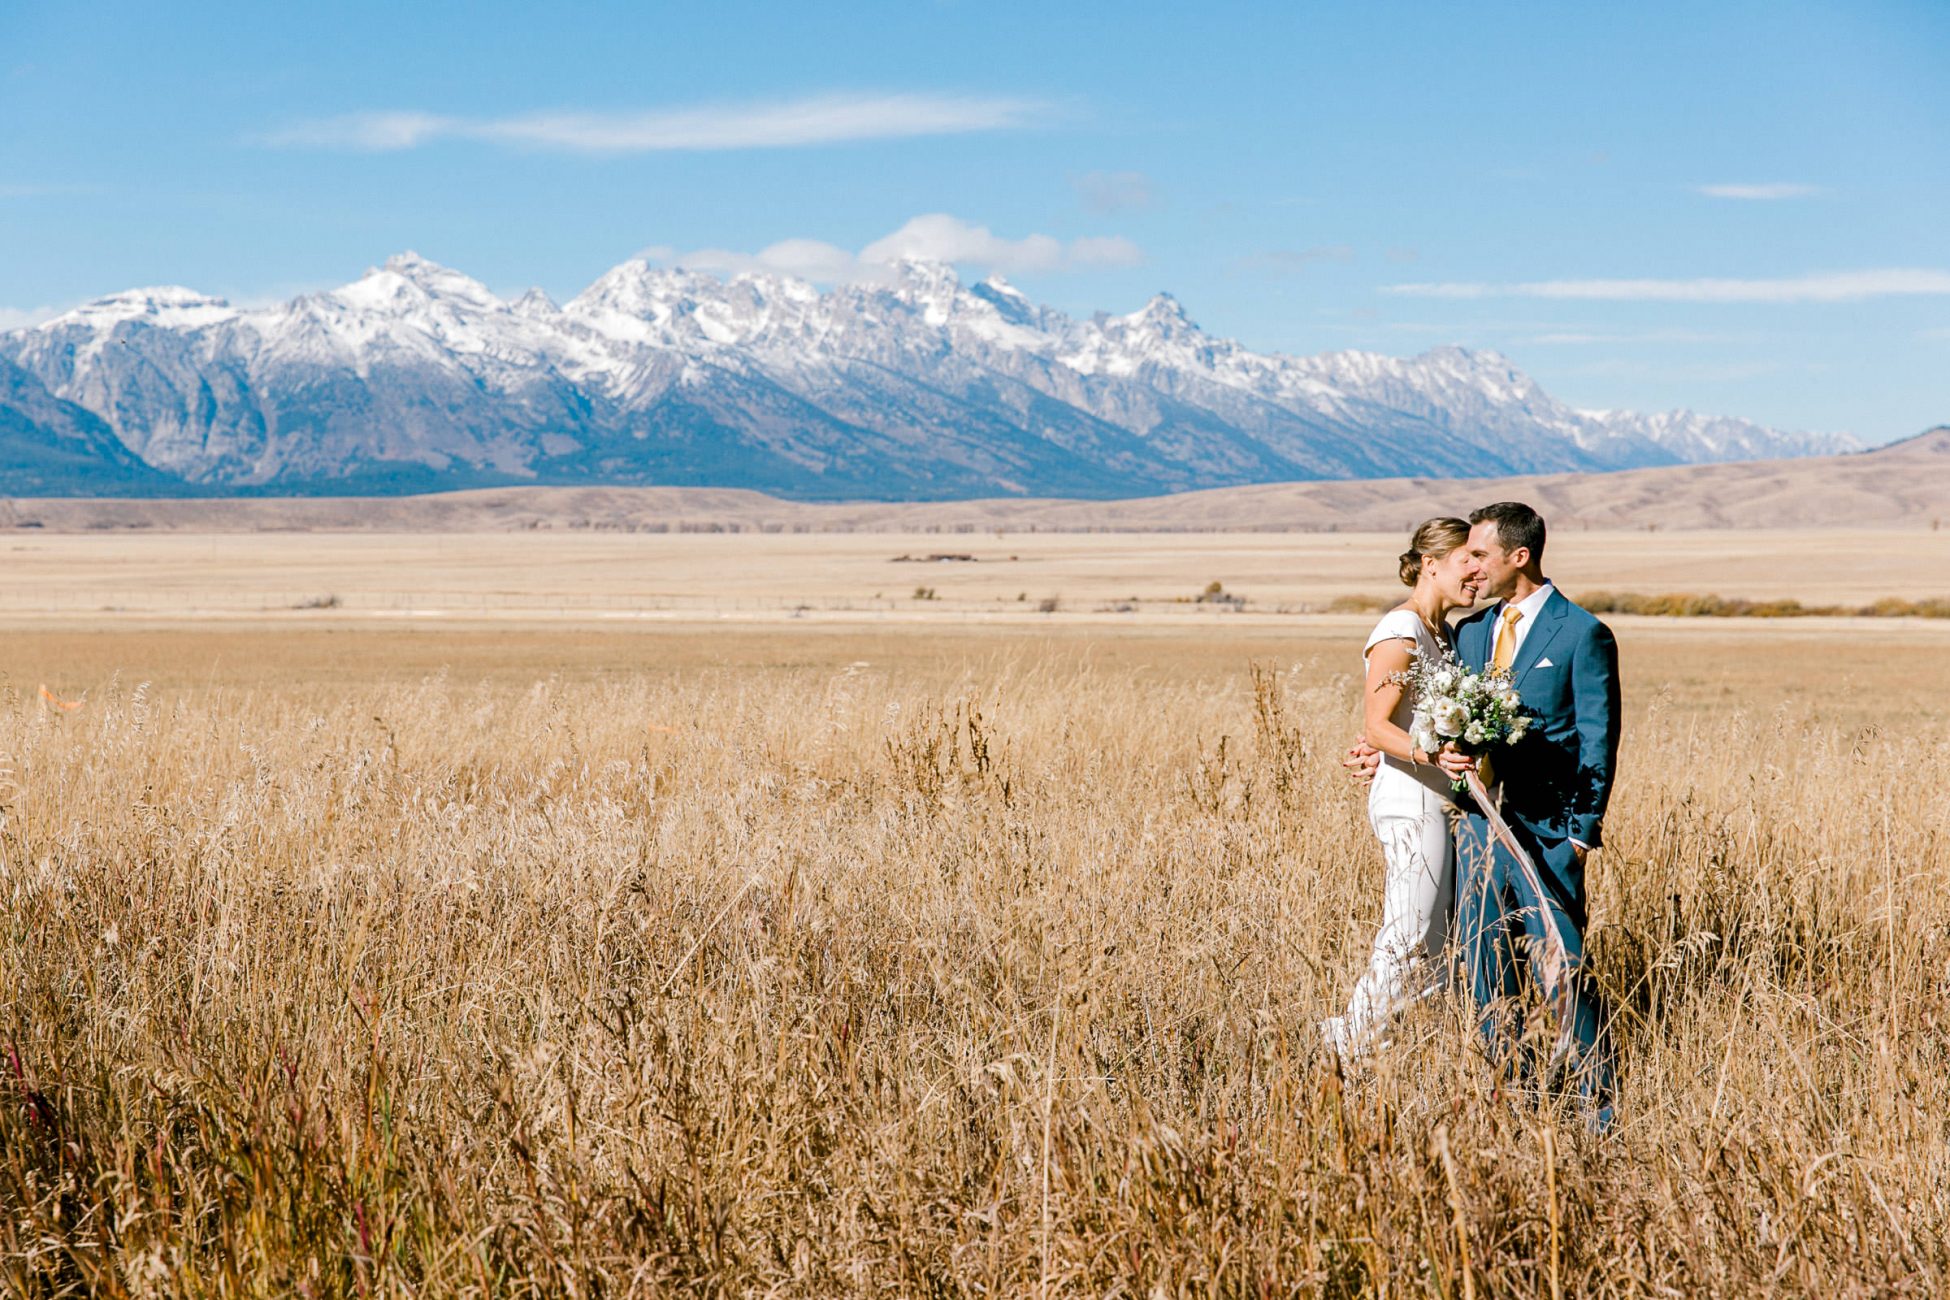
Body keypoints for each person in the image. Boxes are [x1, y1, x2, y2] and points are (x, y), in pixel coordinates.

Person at [1320, 517, 1482, 1059]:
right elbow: (1376, 725)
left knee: (1435, 945)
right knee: (1409, 933)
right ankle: (1344, 1047)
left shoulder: (1447, 635)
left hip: (1439, 796)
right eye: (1468, 561)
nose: (1479, 573)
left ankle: (1383, 1050)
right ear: (1431, 565)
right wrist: (1426, 753)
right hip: (1411, 798)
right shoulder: (1401, 630)